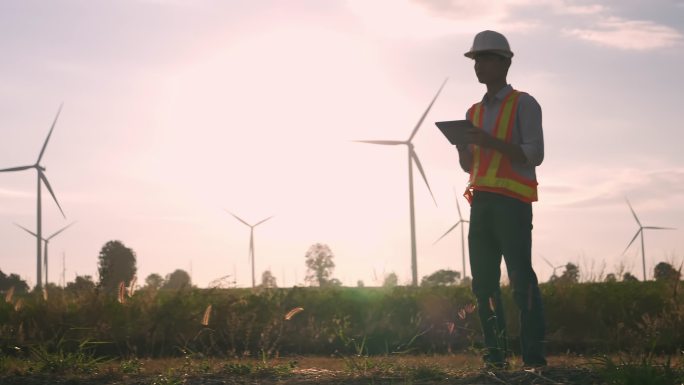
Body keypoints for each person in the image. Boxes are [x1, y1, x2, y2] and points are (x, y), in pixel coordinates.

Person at [456, 30, 547, 369]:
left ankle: (534, 359)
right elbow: (470, 165)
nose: (478, 65)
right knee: (483, 284)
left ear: (504, 62)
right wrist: (463, 147)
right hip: (480, 204)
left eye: (484, 58)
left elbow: (535, 154)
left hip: (512, 203)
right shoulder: (472, 112)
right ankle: (496, 358)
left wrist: (488, 141)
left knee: (521, 279)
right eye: (475, 59)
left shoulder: (524, 103)